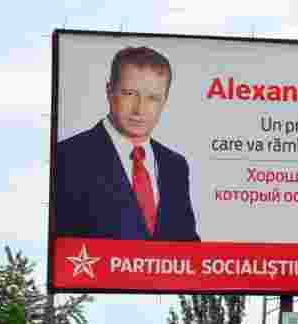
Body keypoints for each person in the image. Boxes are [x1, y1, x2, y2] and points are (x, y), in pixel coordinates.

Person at [54, 46, 200, 241]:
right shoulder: (67, 156)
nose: (139, 109)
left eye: (152, 98)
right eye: (129, 94)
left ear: (165, 101)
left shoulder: (175, 165)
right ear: (109, 91)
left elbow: (187, 245)